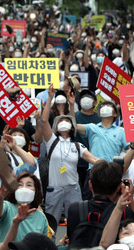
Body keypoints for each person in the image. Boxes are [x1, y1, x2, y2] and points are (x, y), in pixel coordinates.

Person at [41, 84, 100, 222]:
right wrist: (50, 98)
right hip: (54, 189)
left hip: (73, 189)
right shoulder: (51, 141)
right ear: (56, 126)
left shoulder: (77, 146)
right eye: (61, 121)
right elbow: (44, 120)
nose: (64, 122)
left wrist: (111, 164)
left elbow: (93, 159)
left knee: (76, 221)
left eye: (67, 121)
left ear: (72, 127)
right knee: (51, 222)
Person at [0, 172, 48, 250]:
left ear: (36, 191)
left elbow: (43, 246)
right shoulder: (7, 206)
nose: (24, 188)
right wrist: (0, 198)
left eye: (29, 185)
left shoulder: (41, 217)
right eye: (20, 185)